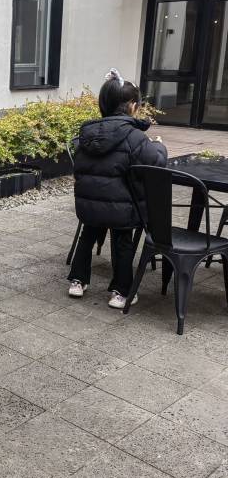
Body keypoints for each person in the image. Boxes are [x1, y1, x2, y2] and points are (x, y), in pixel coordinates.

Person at [68, 69, 168, 309]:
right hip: (121, 207)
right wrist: (159, 146)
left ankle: (77, 281)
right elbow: (155, 163)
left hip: (89, 204)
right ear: (132, 106)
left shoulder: (88, 132)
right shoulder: (134, 137)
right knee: (122, 241)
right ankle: (121, 293)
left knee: (87, 236)